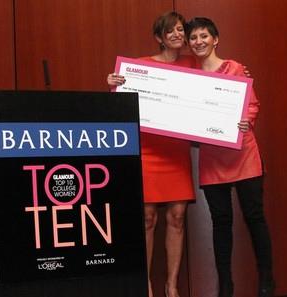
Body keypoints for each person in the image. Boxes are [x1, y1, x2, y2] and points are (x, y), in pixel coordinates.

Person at [108, 12, 196, 297]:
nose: (177, 35)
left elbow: (221, 81)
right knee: (146, 217)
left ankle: (171, 286)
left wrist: (237, 75)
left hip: (176, 151)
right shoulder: (139, 67)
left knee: (178, 216)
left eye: (180, 30)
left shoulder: (193, 64)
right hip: (147, 150)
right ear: (159, 37)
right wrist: (114, 84)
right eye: (169, 31)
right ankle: (144, 284)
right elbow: (121, 100)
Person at [185, 17, 275, 297]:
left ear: (215, 39)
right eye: (193, 38)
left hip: (243, 154)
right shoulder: (188, 75)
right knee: (220, 222)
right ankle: (225, 285)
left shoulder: (236, 68)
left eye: (204, 36)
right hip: (212, 158)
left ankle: (267, 281)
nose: (198, 41)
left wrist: (247, 120)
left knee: (255, 217)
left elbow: (252, 104)